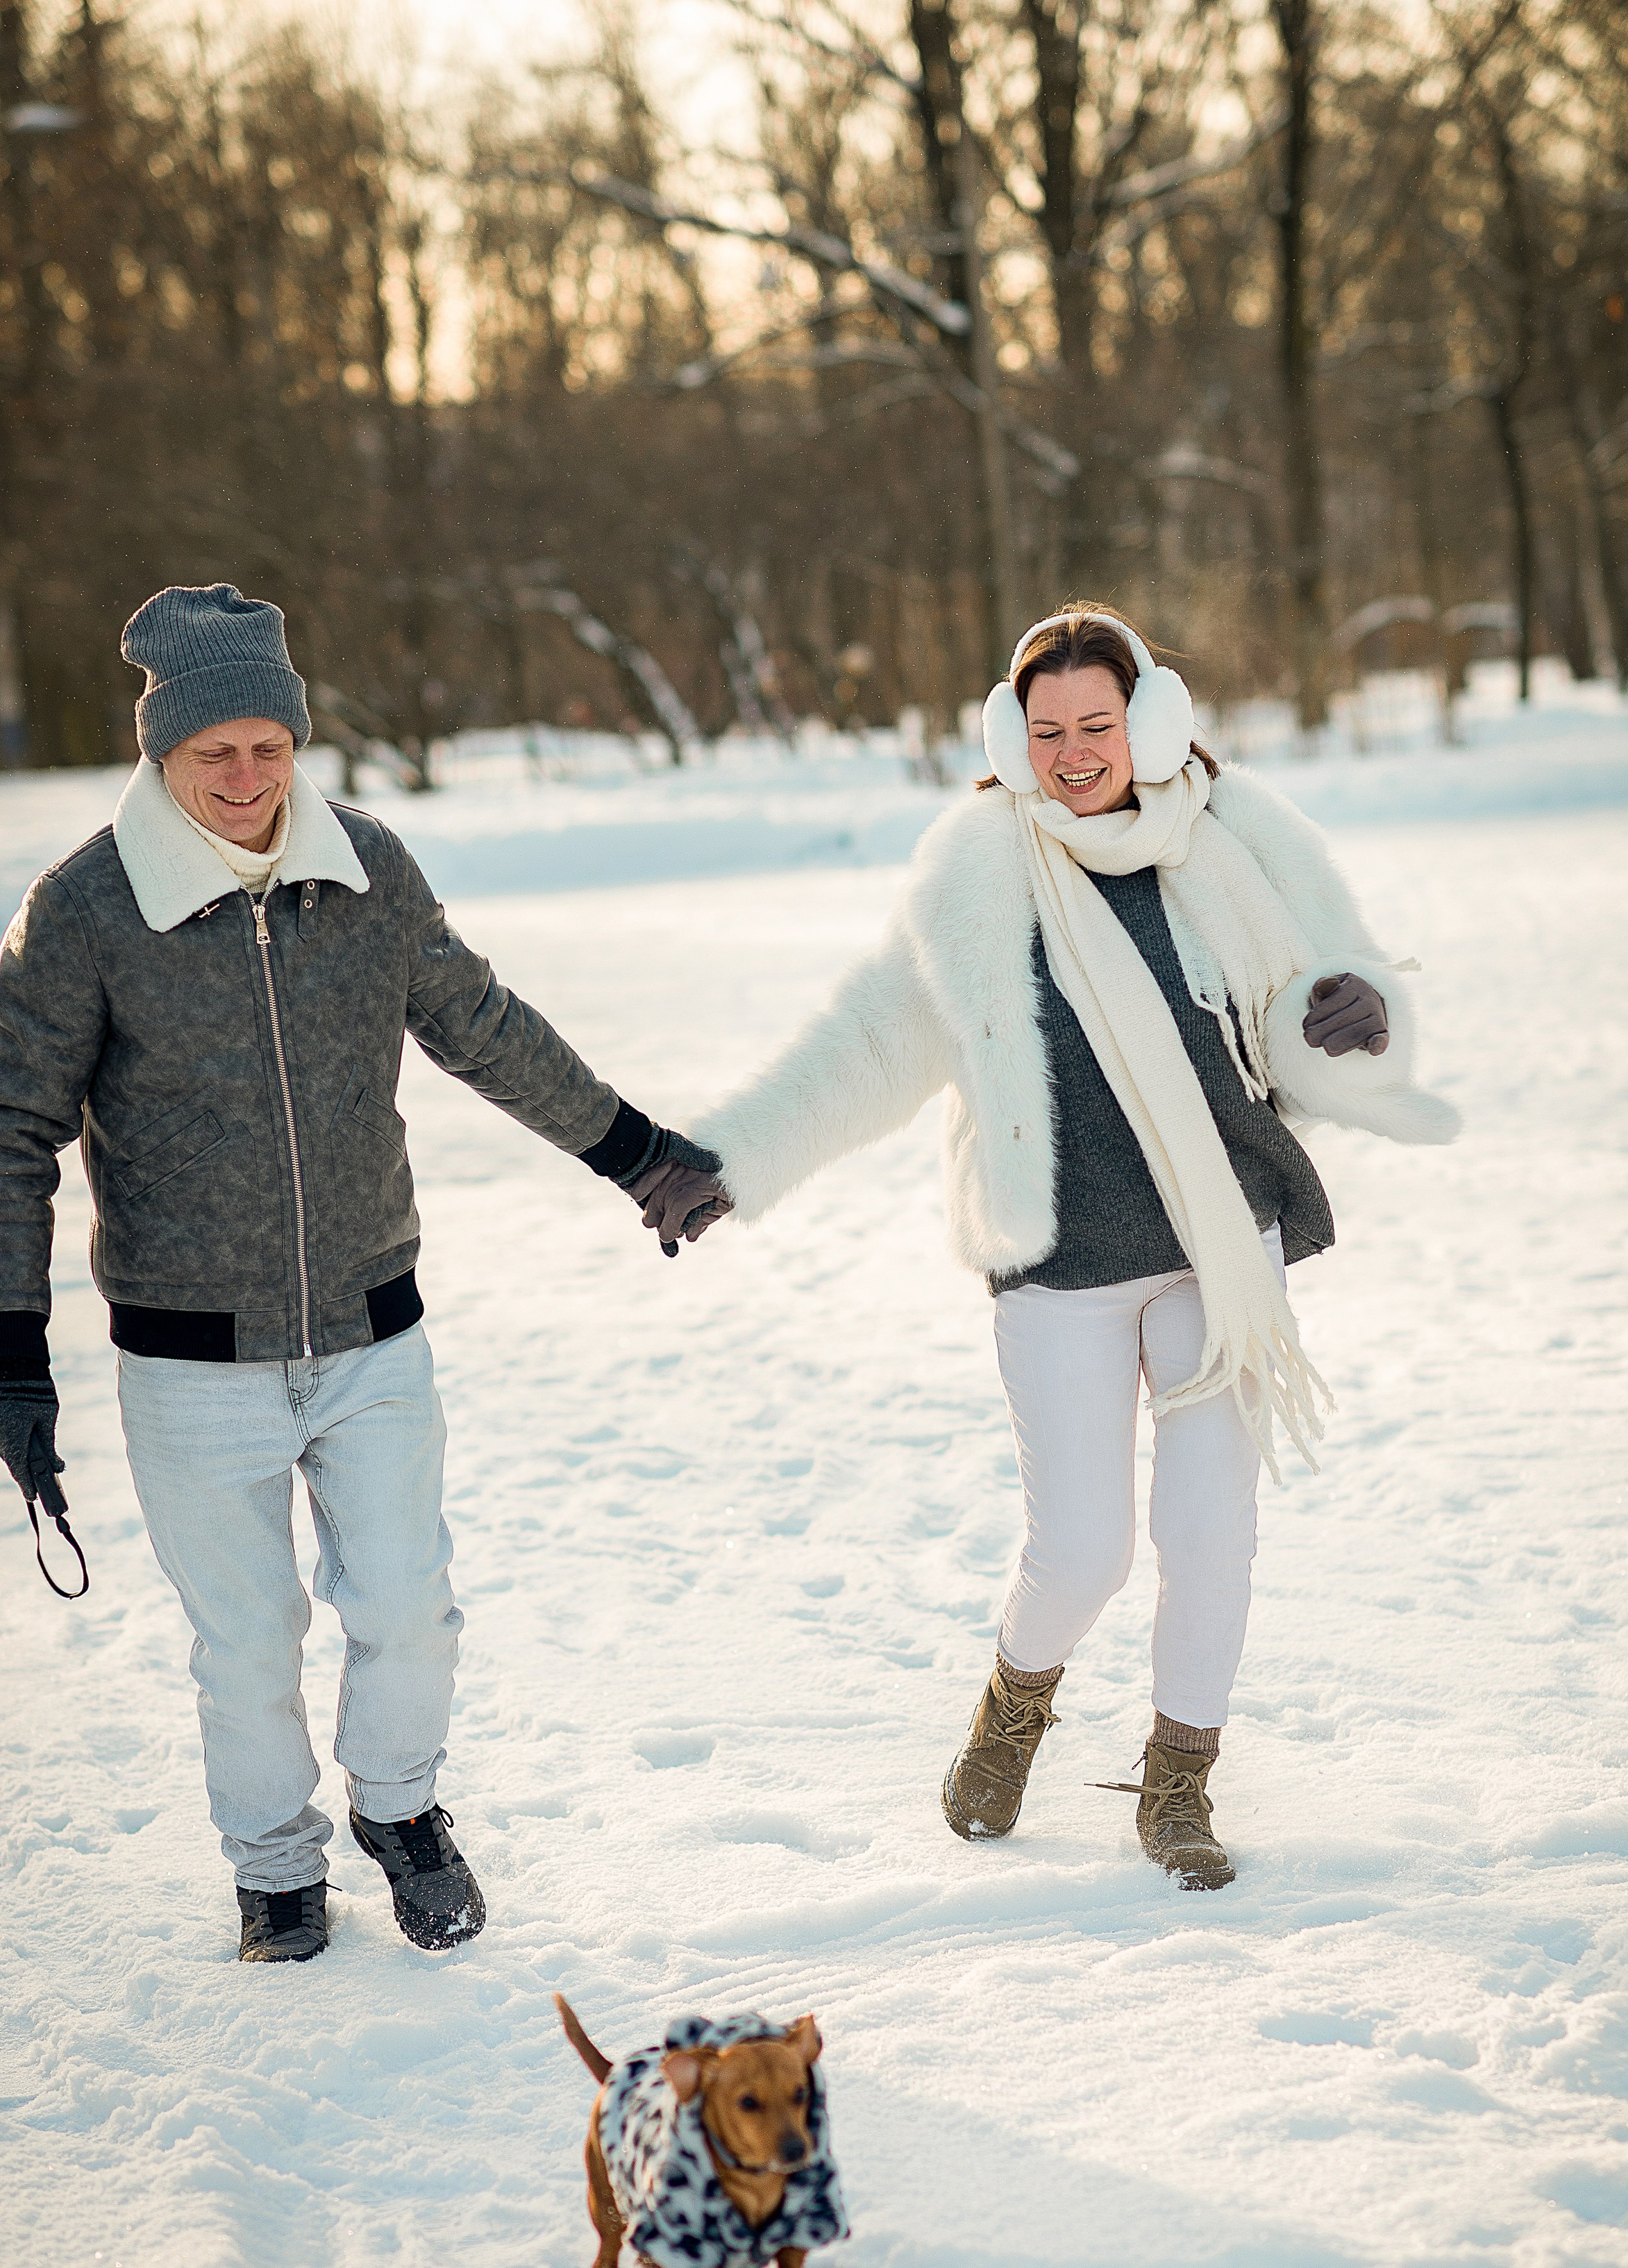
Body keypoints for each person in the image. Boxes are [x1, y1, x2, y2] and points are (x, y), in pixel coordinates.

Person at [0, 583, 728, 1964]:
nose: (246, 775)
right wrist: (11, 1341)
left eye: (269, 744)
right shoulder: (88, 908)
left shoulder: (366, 871)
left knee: (406, 1601)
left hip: (371, 1331)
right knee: (249, 1642)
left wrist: (636, 1154)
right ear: (161, 749)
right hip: (185, 1354)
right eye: (214, 750)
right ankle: (275, 1871)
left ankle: (398, 1812)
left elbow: (480, 1024)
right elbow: (11, 1124)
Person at [691, 604, 1456, 1888]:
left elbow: (1323, 991)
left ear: (1149, 721)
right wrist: (724, 1162)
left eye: (1097, 724)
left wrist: (1360, 1015)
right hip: (1060, 1264)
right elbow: (872, 1044)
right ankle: (1013, 1704)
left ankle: (1178, 1790)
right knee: (1083, 1549)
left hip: (1219, 1243)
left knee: (1213, 1534)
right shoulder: (977, 876)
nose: (1074, 751)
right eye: (1047, 730)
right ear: (1012, 737)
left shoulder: (1238, 843)